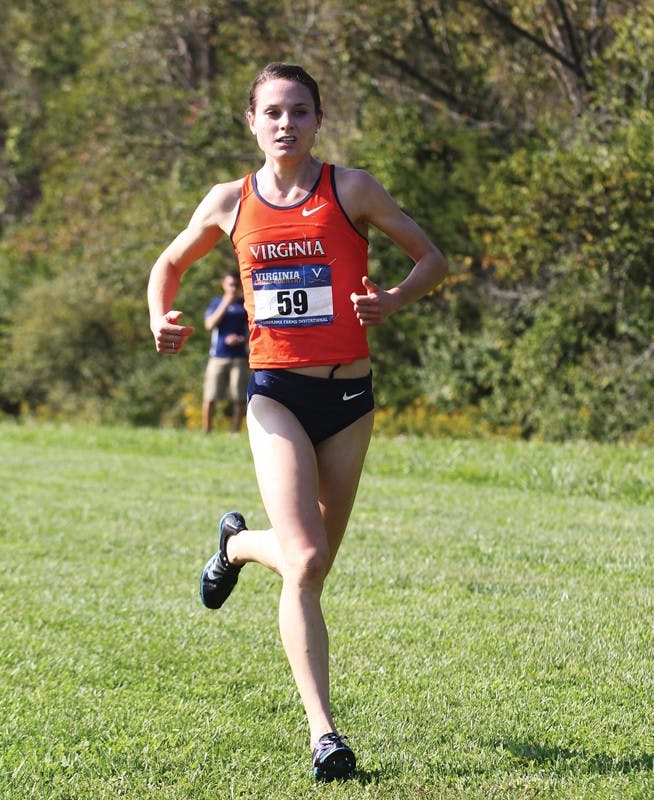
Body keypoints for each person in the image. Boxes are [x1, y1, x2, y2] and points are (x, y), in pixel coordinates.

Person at [147, 62, 447, 782]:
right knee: (307, 561)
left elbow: (431, 259)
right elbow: (168, 261)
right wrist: (160, 314)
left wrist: (392, 301)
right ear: (250, 122)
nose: (286, 122)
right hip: (276, 393)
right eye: (273, 111)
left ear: (318, 120)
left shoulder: (351, 188)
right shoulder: (228, 201)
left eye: (300, 111)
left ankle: (239, 545)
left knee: (312, 565)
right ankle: (324, 735)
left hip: (349, 400)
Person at [202, 270, 249, 433]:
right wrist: (226, 303)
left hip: (240, 357)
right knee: (211, 395)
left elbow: (253, 332)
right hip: (218, 356)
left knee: (239, 396)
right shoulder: (216, 303)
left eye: (236, 285)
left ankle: (235, 432)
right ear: (224, 285)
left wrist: (240, 339)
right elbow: (209, 325)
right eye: (230, 284)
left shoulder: (245, 306)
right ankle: (206, 430)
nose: (233, 288)